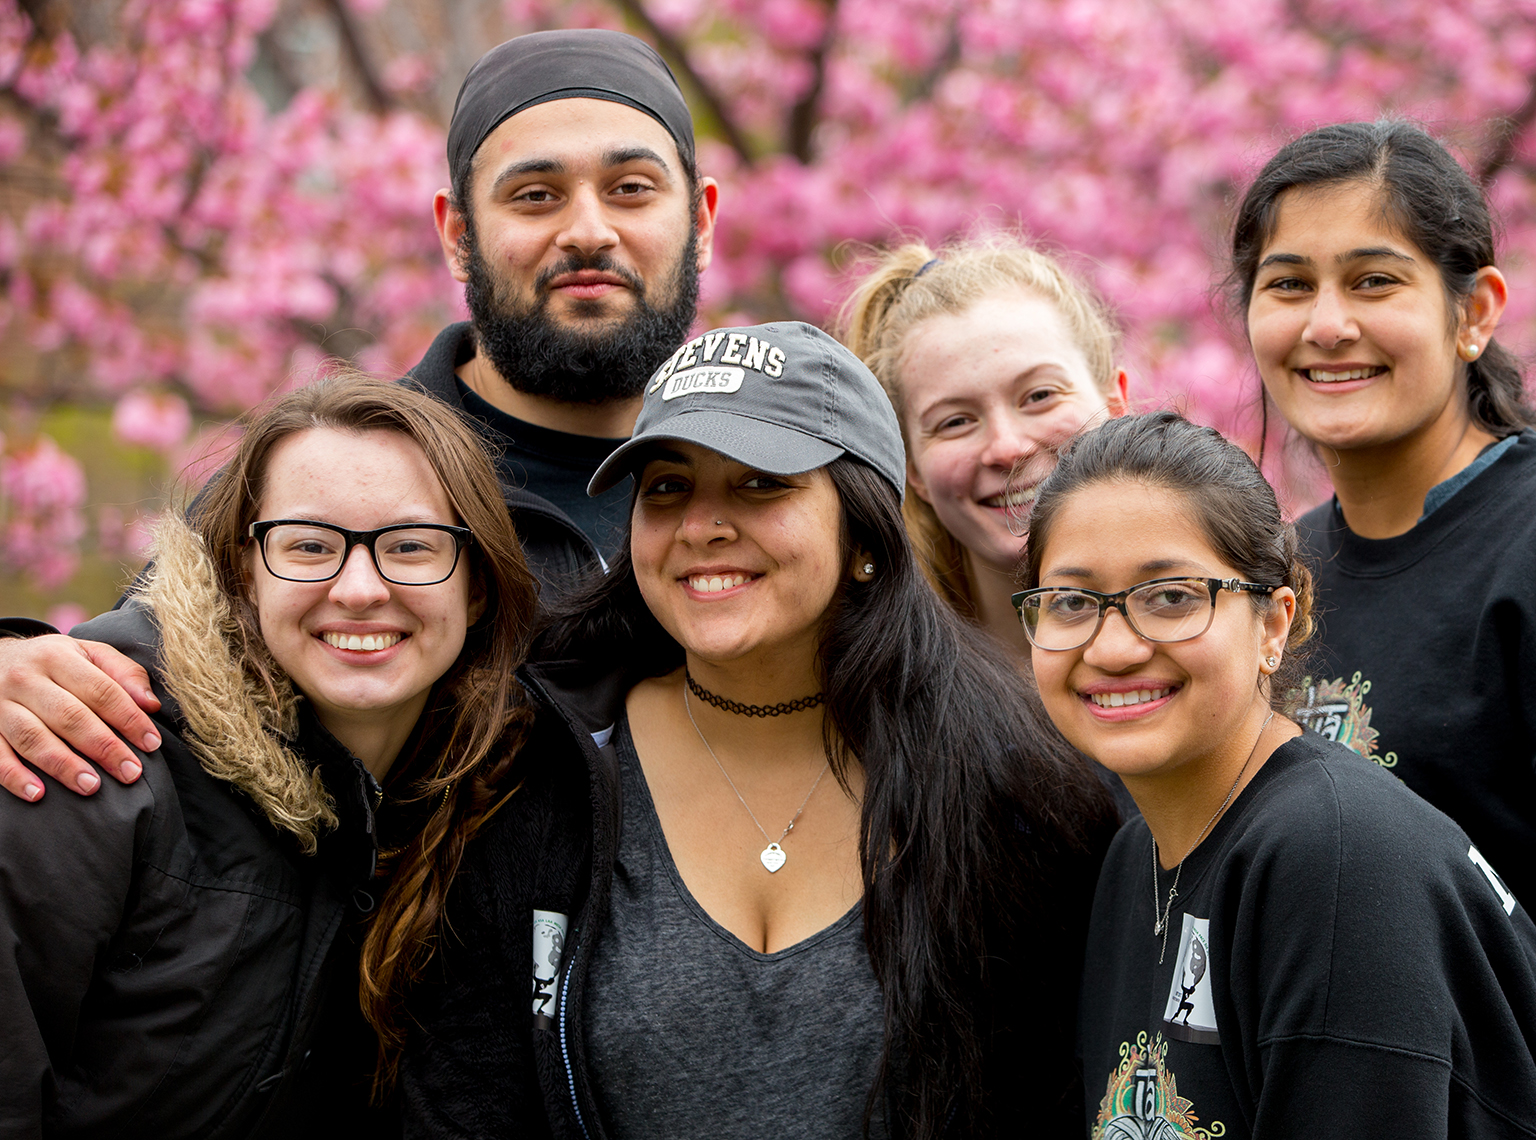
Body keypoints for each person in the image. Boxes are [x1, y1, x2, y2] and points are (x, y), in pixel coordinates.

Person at [398, 321, 1120, 1139]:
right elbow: (463, 1098)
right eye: (667, 488)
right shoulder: (535, 766)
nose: (700, 525)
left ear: (863, 535)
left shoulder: (1013, 787)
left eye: (758, 484)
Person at [0, 28, 719, 801]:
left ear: (702, 222)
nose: (586, 231)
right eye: (535, 195)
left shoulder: (767, 481)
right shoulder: (332, 477)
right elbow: (116, 668)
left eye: (631, 189)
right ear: (457, 236)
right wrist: (16, 662)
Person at [1230, 120, 1536, 1138]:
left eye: (1373, 281)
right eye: (1287, 285)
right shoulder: (1279, 581)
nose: (1325, 324)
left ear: (1473, 313)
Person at [1018, 411, 1536, 1139]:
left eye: (1171, 597)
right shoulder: (1133, 856)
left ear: (1273, 623)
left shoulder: (1334, 861)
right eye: (1070, 602)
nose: (1114, 646)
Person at [0, 375, 538, 1135]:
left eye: (411, 547)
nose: (359, 589)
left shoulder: (487, 807)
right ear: (244, 568)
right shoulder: (83, 750)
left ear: (476, 586)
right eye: (310, 546)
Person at [840, 237, 1128, 655]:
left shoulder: (1231, 616)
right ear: (912, 470)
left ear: (1115, 401)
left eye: (1039, 395)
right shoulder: (879, 690)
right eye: (955, 422)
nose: (1006, 448)